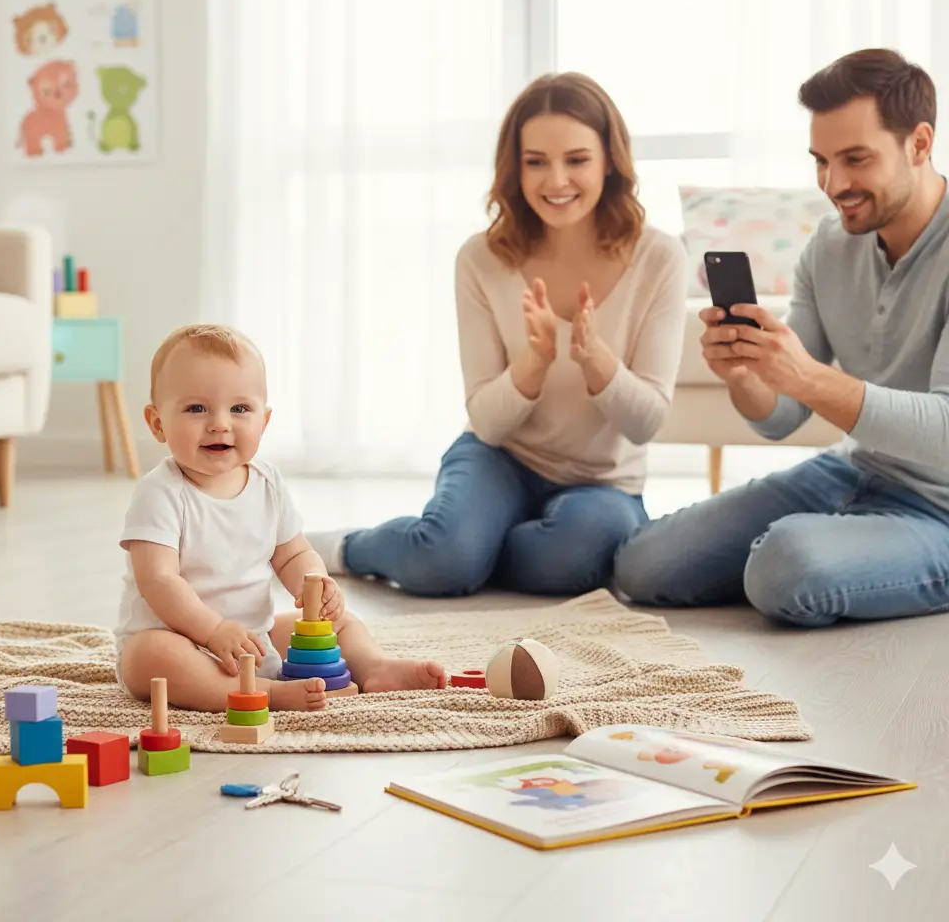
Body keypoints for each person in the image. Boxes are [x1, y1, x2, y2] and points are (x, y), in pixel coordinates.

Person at [308, 72, 688, 598]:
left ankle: (468, 545)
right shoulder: (481, 258)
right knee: (444, 563)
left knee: (572, 561)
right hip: (501, 457)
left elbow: (645, 424)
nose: (556, 181)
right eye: (536, 162)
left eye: (576, 159)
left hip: (603, 483)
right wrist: (533, 364)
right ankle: (353, 546)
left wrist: (596, 360)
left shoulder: (659, 258)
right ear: (515, 168)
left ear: (610, 161)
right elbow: (486, 422)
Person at [613, 47, 949, 627]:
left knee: (785, 565)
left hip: (940, 509)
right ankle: (856, 548)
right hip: (856, 471)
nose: (833, 183)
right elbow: (780, 418)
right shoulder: (829, 245)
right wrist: (747, 376)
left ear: (920, 143)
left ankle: (862, 554)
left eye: (855, 159)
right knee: (643, 564)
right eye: (820, 160)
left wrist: (809, 376)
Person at [114, 323, 446, 711]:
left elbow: (292, 554)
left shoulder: (267, 483)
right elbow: (158, 580)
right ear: (157, 424)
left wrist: (315, 585)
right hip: (182, 641)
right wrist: (214, 631)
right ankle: (263, 695)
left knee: (339, 625)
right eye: (196, 408)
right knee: (150, 657)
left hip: (256, 638)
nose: (220, 423)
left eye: (239, 409)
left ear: (264, 422)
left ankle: (373, 667)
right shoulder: (160, 492)